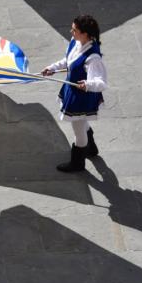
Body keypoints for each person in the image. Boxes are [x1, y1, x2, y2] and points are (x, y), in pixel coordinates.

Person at [42, 15, 107, 172]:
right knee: (81, 123)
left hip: (81, 98)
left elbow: (101, 82)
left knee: (78, 130)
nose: (71, 31)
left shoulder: (93, 58)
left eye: (75, 30)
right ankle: (91, 149)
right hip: (73, 92)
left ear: (85, 33)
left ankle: (78, 163)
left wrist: (87, 84)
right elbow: (67, 61)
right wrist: (52, 68)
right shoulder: (75, 43)